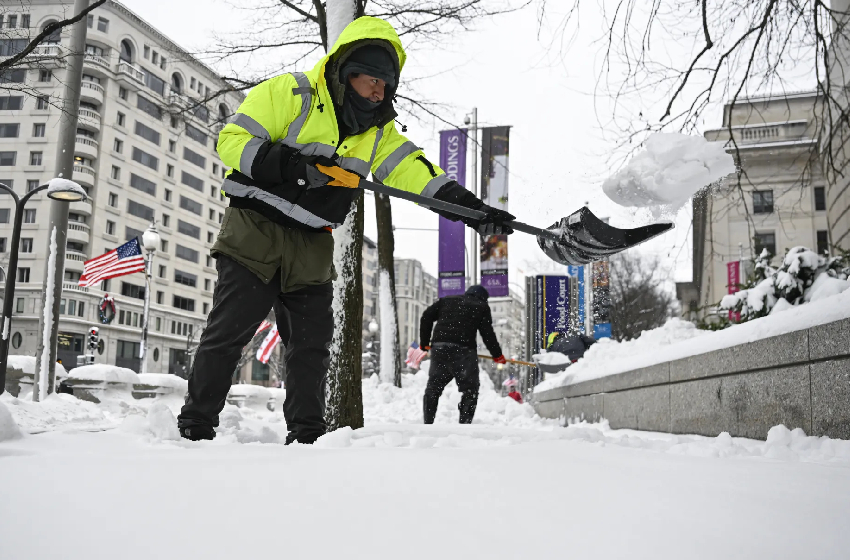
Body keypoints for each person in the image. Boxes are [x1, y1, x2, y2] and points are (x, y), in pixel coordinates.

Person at [177, 16, 514, 443]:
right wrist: (295, 167)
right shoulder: (290, 93)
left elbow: (419, 175)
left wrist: (475, 211)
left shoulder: (379, 133)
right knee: (229, 334)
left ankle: (307, 437)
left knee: (312, 348)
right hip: (255, 228)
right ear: (346, 71)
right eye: (371, 79)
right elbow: (232, 140)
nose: (379, 90)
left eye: (386, 83)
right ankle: (196, 425)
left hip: (314, 241)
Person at [419, 285, 507, 424]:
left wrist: (424, 343)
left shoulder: (447, 300)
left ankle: (428, 422)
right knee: (470, 389)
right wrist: (497, 355)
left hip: (439, 348)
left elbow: (426, 317)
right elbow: (487, 333)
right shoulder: (481, 306)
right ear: (483, 298)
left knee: (433, 388)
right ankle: (464, 424)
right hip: (463, 351)